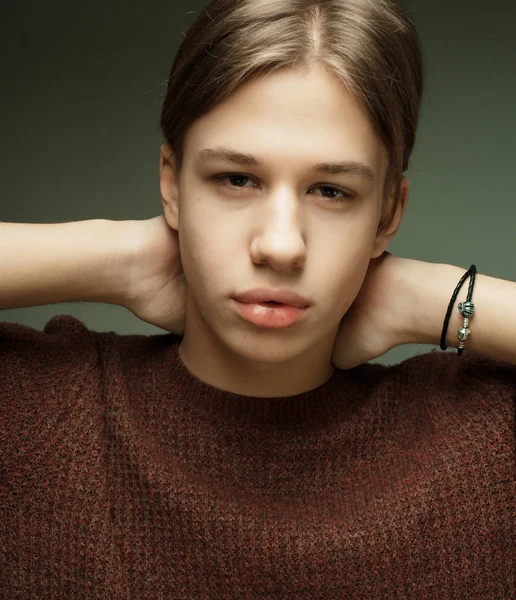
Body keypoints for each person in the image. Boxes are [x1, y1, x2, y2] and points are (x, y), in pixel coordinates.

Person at [1, 0, 514, 598]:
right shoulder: (36, 418)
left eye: (331, 190)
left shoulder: (480, 448)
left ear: (388, 214)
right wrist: (120, 258)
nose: (280, 245)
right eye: (236, 180)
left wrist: (437, 302)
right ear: (172, 182)